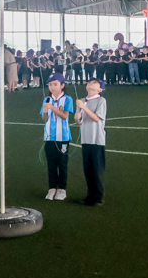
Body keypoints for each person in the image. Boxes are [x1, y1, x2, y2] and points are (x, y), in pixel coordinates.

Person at [40, 72, 74, 202]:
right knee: (51, 163)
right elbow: (44, 119)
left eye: (55, 84)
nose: (52, 87)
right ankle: (52, 188)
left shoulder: (68, 99)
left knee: (62, 163)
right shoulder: (46, 100)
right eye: (50, 85)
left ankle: (62, 188)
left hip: (63, 137)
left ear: (62, 85)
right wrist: (45, 111)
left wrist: (52, 108)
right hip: (49, 137)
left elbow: (65, 116)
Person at [75, 78, 108, 206]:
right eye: (90, 82)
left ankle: (98, 196)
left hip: (96, 140)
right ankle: (90, 195)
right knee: (87, 170)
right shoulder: (82, 101)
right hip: (85, 139)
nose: (90, 83)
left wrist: (83, 107)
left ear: (100, 89)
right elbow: (79, 122)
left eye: (94, 83)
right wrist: (77, 117)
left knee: (96, 170)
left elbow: (96, 118)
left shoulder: (101, 100)